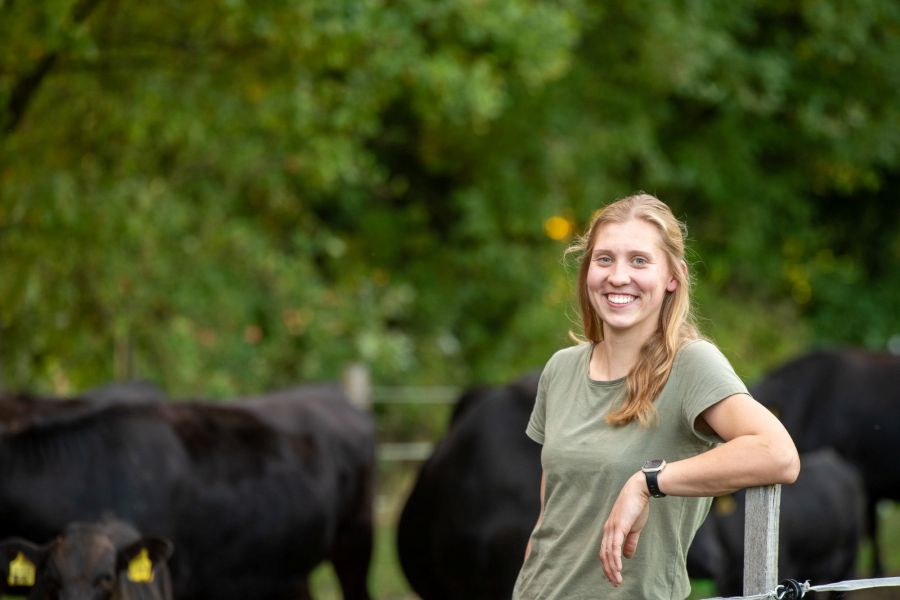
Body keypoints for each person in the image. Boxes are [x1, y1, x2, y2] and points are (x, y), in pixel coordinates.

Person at [511, 192, 800, 599]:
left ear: (672, 277)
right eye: (605, 259)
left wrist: (647, 483)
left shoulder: (691, 365)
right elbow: (551, 519)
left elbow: (779, 455)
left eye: (639, 261)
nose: (617, 276)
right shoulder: (560, 369)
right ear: (587, 271)